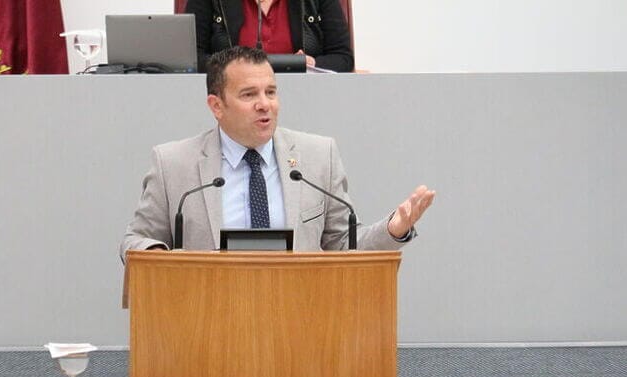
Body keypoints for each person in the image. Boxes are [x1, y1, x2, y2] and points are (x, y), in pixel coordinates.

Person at [121, 47, 434, 259]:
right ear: (216, 106)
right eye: (249, 94)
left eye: (270, 92)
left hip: (297, 318)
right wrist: (162, 263)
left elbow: (343, 245)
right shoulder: (173, 164)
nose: (265, 104)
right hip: (208, 320)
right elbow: (135, 241)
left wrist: (393, 230)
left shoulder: (317, 157)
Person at [185, 0, 354, 72]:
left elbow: (342, 57)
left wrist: (312, 64)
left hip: (304, 95)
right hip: (230, 99)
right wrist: (229, 67)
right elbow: (190, 59)